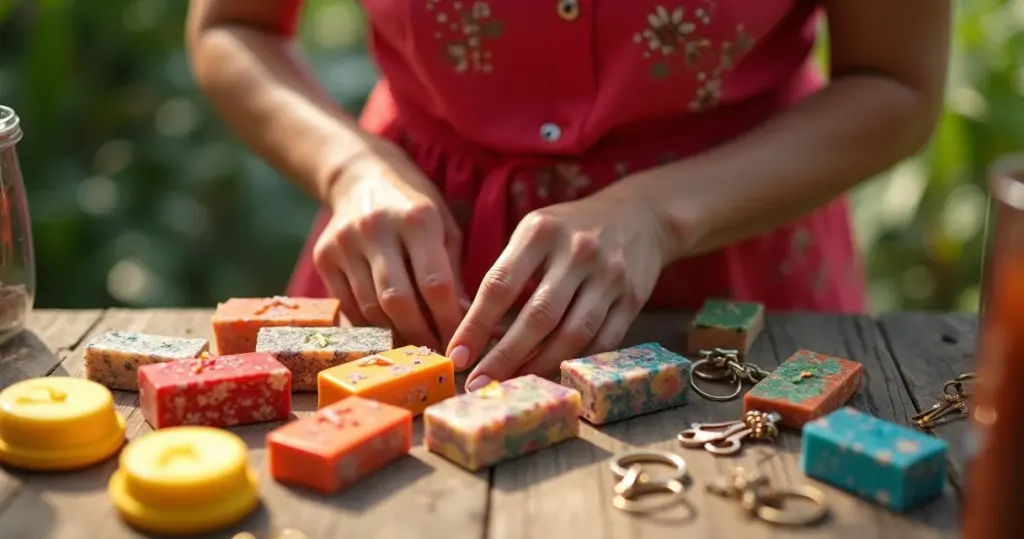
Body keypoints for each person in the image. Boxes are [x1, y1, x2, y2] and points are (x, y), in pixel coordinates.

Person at [186, 0, 950, 391]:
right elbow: (232, 24)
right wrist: (351, 168)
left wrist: (658, 213)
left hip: (735, 269)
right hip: (407, 265)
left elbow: (896, 83)